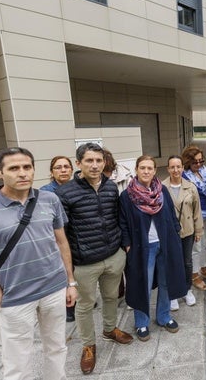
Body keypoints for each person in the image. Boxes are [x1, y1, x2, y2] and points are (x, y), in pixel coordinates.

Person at [0, 147, 77, 380]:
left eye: (27, 167)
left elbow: (61, 242)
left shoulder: (50, 199)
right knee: (18, 363)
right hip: (15, 298)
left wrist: (70, 282)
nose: (22, 173)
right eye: (14, 168)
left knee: (57, 348)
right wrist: (2, 301)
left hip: (54, 290)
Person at [56, 142, 133, 375]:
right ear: (78, 163)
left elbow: (118, 217)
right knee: (85, 306)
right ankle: (88, 345)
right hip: (84, 263)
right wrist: (68, 272)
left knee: (111, 297)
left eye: (99, 160)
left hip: (113, 256)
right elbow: (61, 235)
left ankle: (110, 329)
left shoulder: (111, 187)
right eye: (89, 160)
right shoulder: (65, 193)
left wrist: (123, 247)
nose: (95, 165)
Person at [119, 155, 187, 342]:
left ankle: (164, 316)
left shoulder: (162, 190)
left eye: (150, 168)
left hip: (165, 244)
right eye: (143, 168)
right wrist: (127, 244)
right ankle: (142, 322)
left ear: (155, 170)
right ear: (136, 169)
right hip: (142, 247)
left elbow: (172, 216)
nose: (146, 171)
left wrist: (176, 232)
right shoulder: (127, 195)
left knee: (166, 282)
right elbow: (123, 222)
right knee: (143, 284)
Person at [163, 155, 203, 310]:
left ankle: (187, 290)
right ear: (168, 169)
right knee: (172, 263)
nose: (175, 170)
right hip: (169, 232)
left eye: (178, 166)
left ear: (182, 168)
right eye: (172, 167)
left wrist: (198, 230)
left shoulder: (190, 187)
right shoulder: (161, 187)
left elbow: (196, 211)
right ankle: (173, 293)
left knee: (187, 262)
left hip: (187, 230)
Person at [39, 155, 76, 323]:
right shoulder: (45, 192)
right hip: (56, 238)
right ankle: (67, 307)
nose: (63, 170)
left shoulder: (77, 187)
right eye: (58, 167)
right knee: (63, 271)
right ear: (51, 172)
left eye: (66, 167)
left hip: (75, 235)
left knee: (75, 270)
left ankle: (75, 297)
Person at [181, 145, 206, 290]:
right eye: (195, 162)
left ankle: (204, 267)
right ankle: (194, 274)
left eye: (201, 161)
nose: (198, 164)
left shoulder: (205, 172)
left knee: (205, 242)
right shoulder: (185, 176)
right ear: (187, 162)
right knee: (195, 246)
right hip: (193, 216)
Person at [103, 148, 133, 307]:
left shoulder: (125, 177)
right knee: (113, 266)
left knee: (128, 262)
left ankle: (131, 294)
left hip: (122, 226)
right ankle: (118, 290)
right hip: (106, 230)